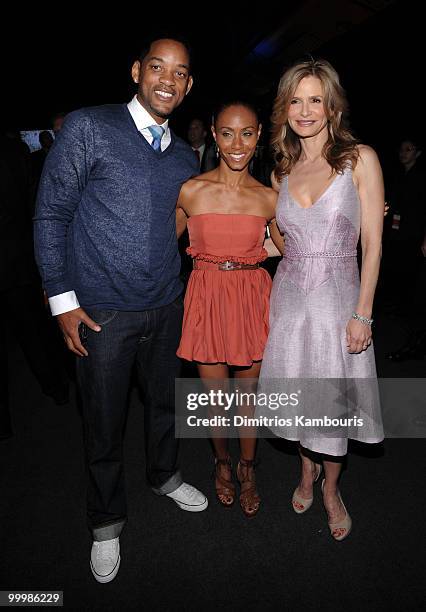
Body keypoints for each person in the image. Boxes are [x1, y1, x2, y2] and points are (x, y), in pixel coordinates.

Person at [34, 36, 208, 584]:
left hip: (166, 307)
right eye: (157, 67)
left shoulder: (183, 153)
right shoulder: (88, 127)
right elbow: (51, 214)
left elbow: (179, 229)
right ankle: (106, 520)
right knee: (103, 423)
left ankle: (166, 475)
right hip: (102, 313)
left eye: (180, 73)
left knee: (164, 406)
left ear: (188, 86)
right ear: (137, 71)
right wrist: (61, 301)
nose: (167, 79)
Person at [258, 58, 385, 540]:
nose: (305, 110)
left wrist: (363, 313)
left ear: (332, 105)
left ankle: (331, 488)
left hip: (339, 302)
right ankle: (304, 471)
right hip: (289, 301)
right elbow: (280, 244)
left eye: (315, 99)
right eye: (296, 100)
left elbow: (373, 242)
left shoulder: (360, 159)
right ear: (284, 108)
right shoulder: (282, 173)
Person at [176, 101, 281, 517]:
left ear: (258, 138)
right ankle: (221, 463)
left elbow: (298, 249)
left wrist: (358, 217)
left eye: (247, 133)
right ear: (215, 137)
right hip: (205, 297)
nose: (237, 143)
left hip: (251, 299)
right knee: (216, 401)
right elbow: (155, 245)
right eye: (227, 133)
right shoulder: (191, 190)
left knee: (248, 400)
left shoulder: (270, 198)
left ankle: (248, 468)